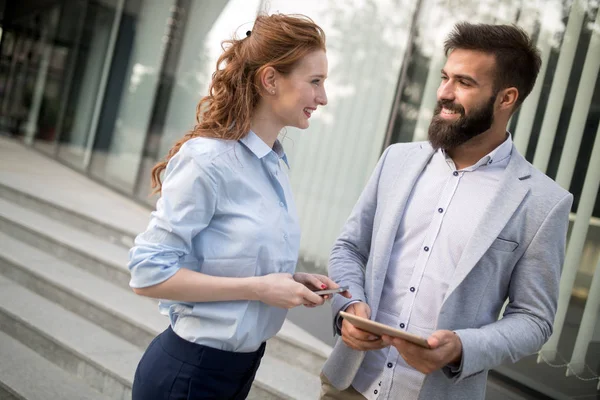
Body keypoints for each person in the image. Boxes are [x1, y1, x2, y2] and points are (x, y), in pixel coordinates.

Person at [320, 22, 573, 400]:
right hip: (349, 383)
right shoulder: (397, 160)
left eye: (464, 83)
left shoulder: (542, 201)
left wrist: (462, 347)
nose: (444, 93)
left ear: (506, 98)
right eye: (444, 78)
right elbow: (349, 249)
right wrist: (349, 306)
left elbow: (534, 320)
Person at [128, 13, 349, 400]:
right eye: (315, 81)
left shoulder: (273, 163)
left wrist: (288, 280)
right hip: (189, 375)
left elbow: (230, 256)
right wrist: (259, 288)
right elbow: (147, 274)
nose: (323, 97)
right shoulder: (208, 160)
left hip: (238, 372)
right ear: (270, 80)